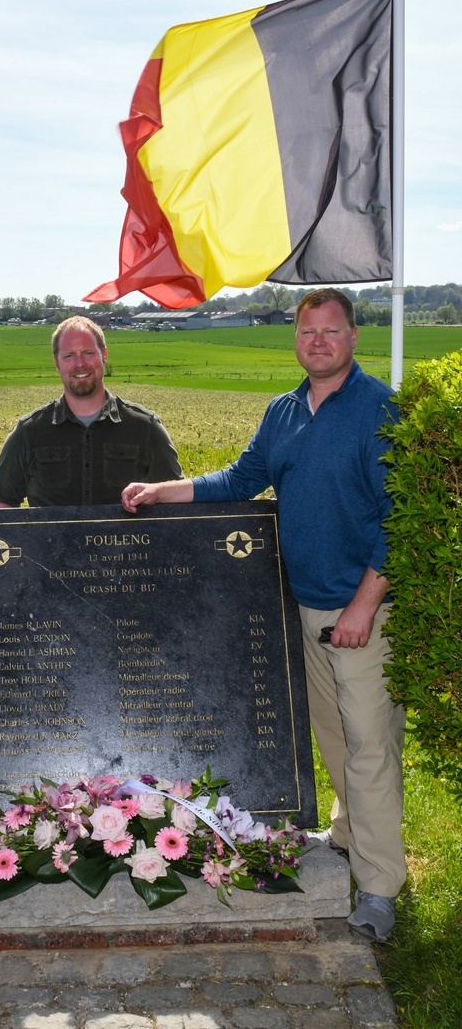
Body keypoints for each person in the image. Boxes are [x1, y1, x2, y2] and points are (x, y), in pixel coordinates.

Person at [121, 288, 404, 942]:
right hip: (304, 608)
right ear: (297, 338)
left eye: (332, 332)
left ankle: (381, 888)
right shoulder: (283, 413)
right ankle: (346, 833)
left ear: (353, 338)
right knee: (334, 738)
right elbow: (241, 478)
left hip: (362, 610)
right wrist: (165, 491)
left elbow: (399, 518)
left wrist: (364, 604)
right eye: (309, 332)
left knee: (369, 748)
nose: (319, 342)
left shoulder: (378, 410)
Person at [0, 315, 183, 507]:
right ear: (56, 363)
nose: (79, 364)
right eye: (69, 356)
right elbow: (0, 500)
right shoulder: (28, 432)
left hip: (124, 538)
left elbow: (178, 498)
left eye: (88, 353)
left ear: (105, 355)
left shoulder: (145, 428)